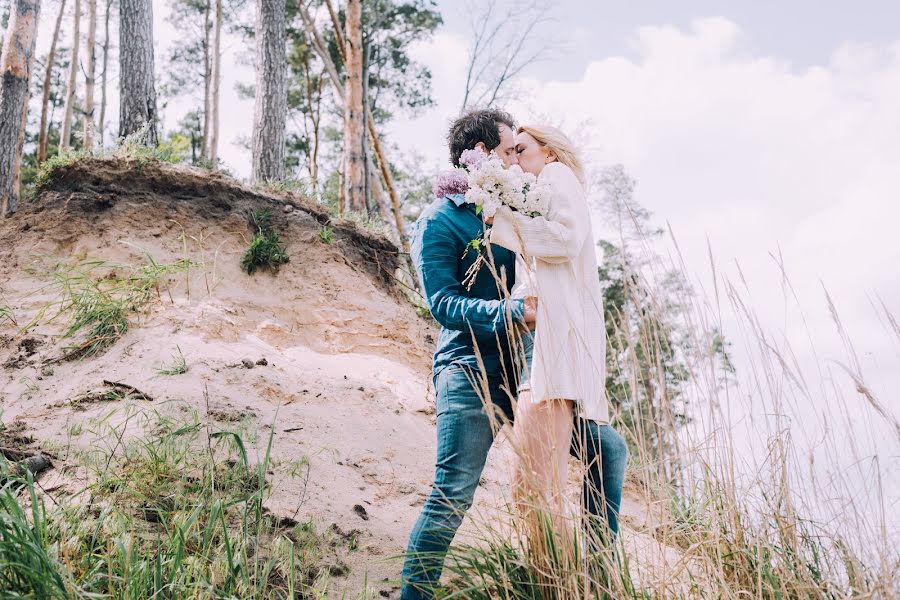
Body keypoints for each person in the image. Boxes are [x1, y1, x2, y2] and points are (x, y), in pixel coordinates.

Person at [400, 109, 628, 599]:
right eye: (509, 152)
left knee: (606, 449)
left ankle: (598, 577)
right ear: (482, 155)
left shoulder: (517, 206)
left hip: (528, 364)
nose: (516, 162)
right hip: (468, 367)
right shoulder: (439, 220)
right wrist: (509, 311)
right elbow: (442, 304)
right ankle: (414, 593)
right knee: (454, 491)